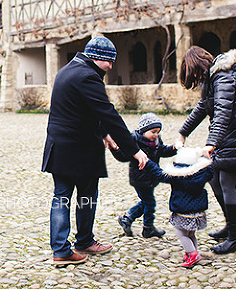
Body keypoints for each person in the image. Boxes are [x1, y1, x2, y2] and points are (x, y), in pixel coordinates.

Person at [42, 36, 149, 266]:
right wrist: (135, 150)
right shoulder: (88, 76)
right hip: (79, 149)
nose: (110, 66)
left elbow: (81, 109)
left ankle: (60, 249)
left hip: (59, 146)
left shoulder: (66, 71)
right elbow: (108, 113)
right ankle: (83, 241)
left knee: (61, 197)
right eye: (108, 61)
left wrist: (104, 134)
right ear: (96, 58)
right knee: (86, 196)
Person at [176, 46, 236, 254]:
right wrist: (183, 132)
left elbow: (222, 113)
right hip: (229, 140)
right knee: (214, 179)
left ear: (200, 65)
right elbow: (203, 107)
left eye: (195, 74)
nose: (197, 79)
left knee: (227, 183)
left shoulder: (224, 78)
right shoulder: (214, 79)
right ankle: (231, 222)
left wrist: (211, 143)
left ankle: (235, 239)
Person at [116, 112, 177, 238]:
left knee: (146, 202)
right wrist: (115, 149)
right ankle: (147, 227)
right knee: (150, 203)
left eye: (158, 132)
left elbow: (163, 151)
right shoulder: (134, 141)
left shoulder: (156, 142)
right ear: (143, 130)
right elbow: (123, 155)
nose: (156, 135)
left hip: (152, 178)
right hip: (140, 178)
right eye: (153, 132)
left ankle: (128, 218)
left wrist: (173, 148)